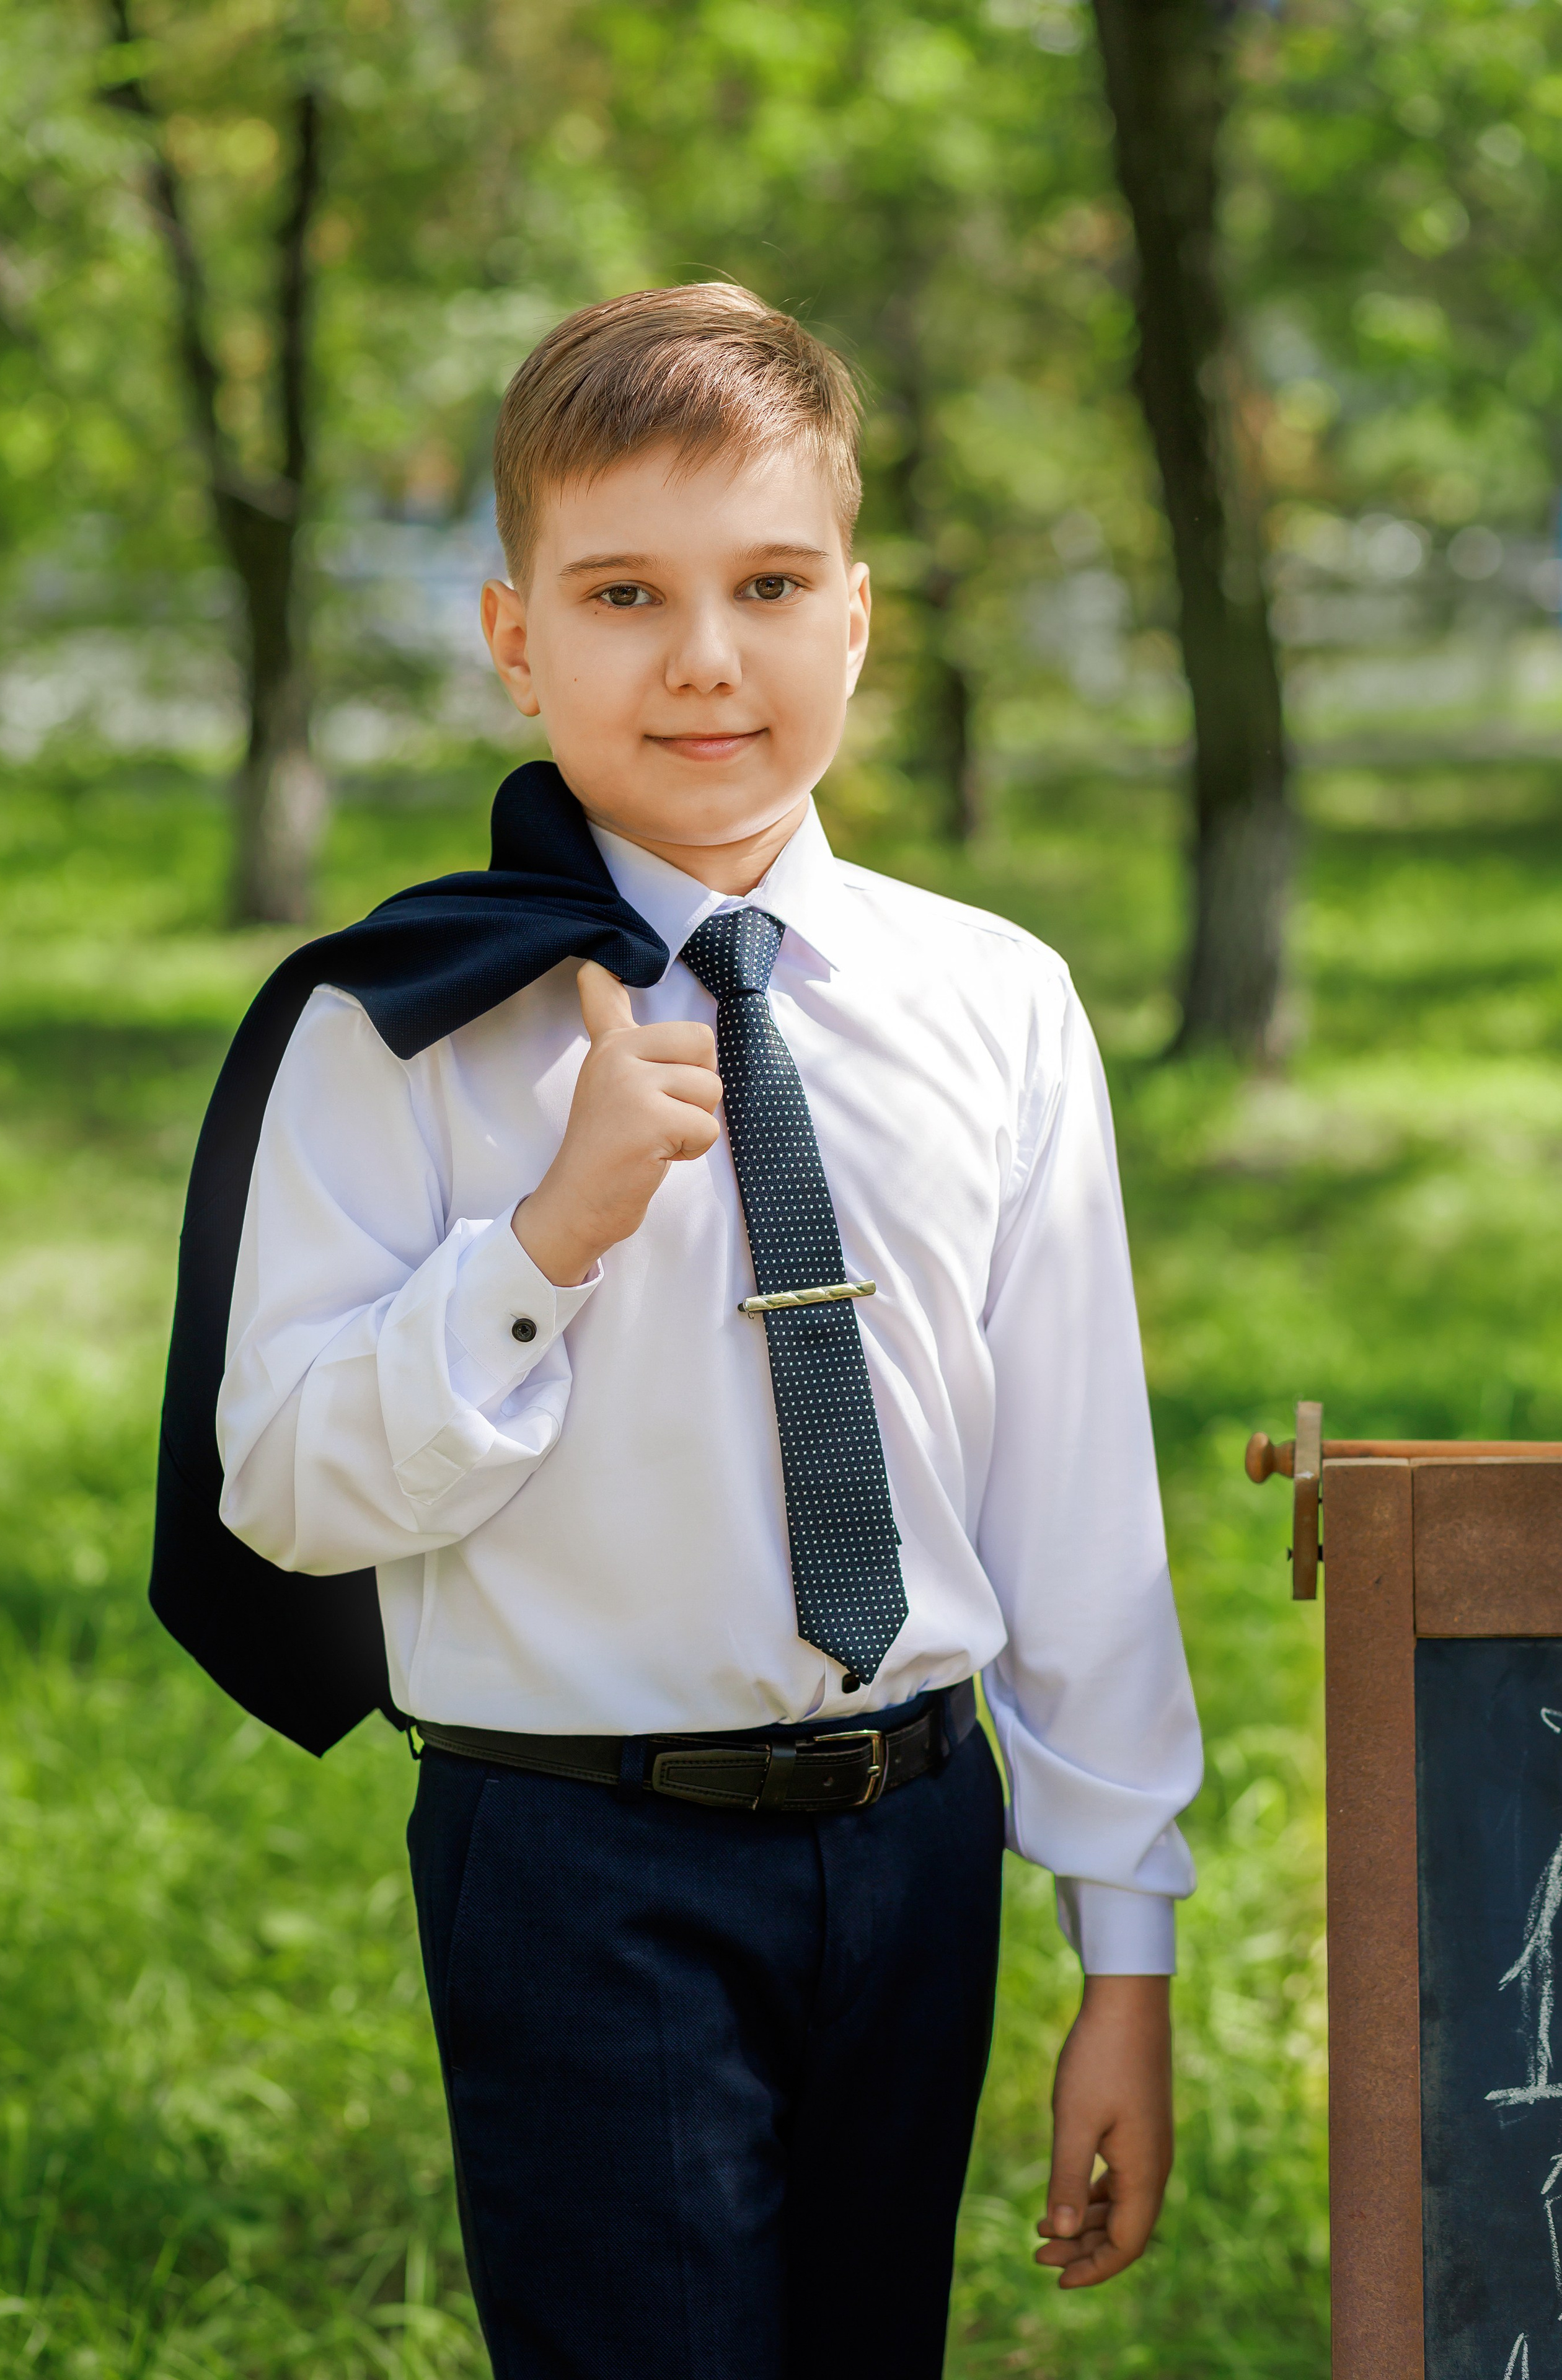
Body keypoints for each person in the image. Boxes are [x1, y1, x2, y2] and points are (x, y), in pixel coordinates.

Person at [211, 282, 1202, 2380]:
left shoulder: (998, 1003)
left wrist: (1129, 1955)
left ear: (859, 613)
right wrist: (547, 1236)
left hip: (916, 1844)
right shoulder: (392, 1031)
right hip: (578, 1856)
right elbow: (288, 1495)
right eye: (624, 592)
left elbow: (1079, 1511)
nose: (703, 659)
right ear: (514, 635)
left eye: (767, 583)